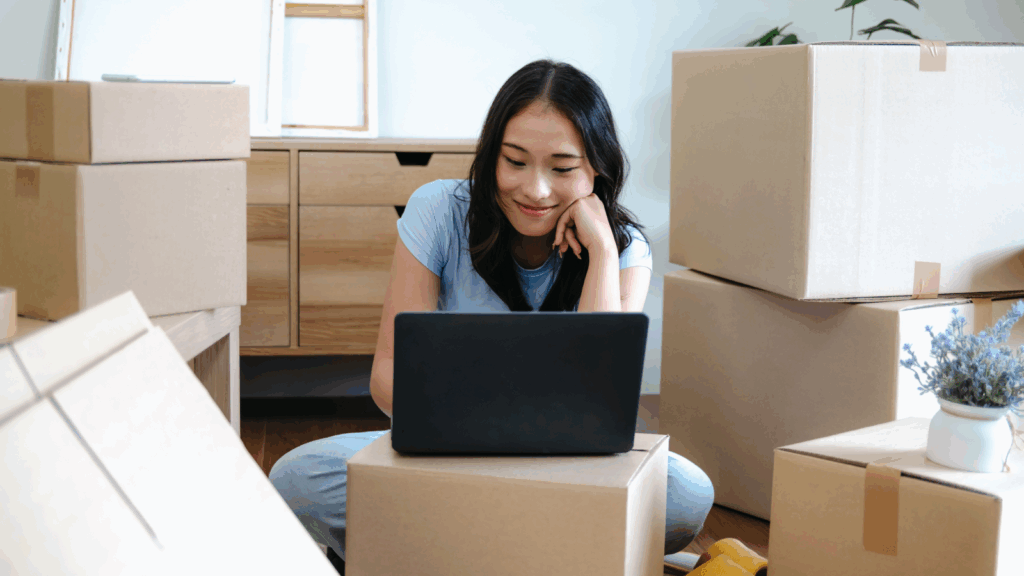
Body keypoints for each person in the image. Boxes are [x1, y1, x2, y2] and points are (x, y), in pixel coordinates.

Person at [269, 59, 714, 574]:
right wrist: (473, 442)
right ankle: (534, 550)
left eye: (564, 168)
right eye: (515, 161)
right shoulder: (438, 210)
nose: (536, 190)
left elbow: (599, 400)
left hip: (569, 469)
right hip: (446, 460)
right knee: (296, 477)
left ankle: (460, 547)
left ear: (597, 169)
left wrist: (603, 255)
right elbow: (387, 379)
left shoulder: (623, 247)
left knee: (685, 493)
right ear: (491, 156)